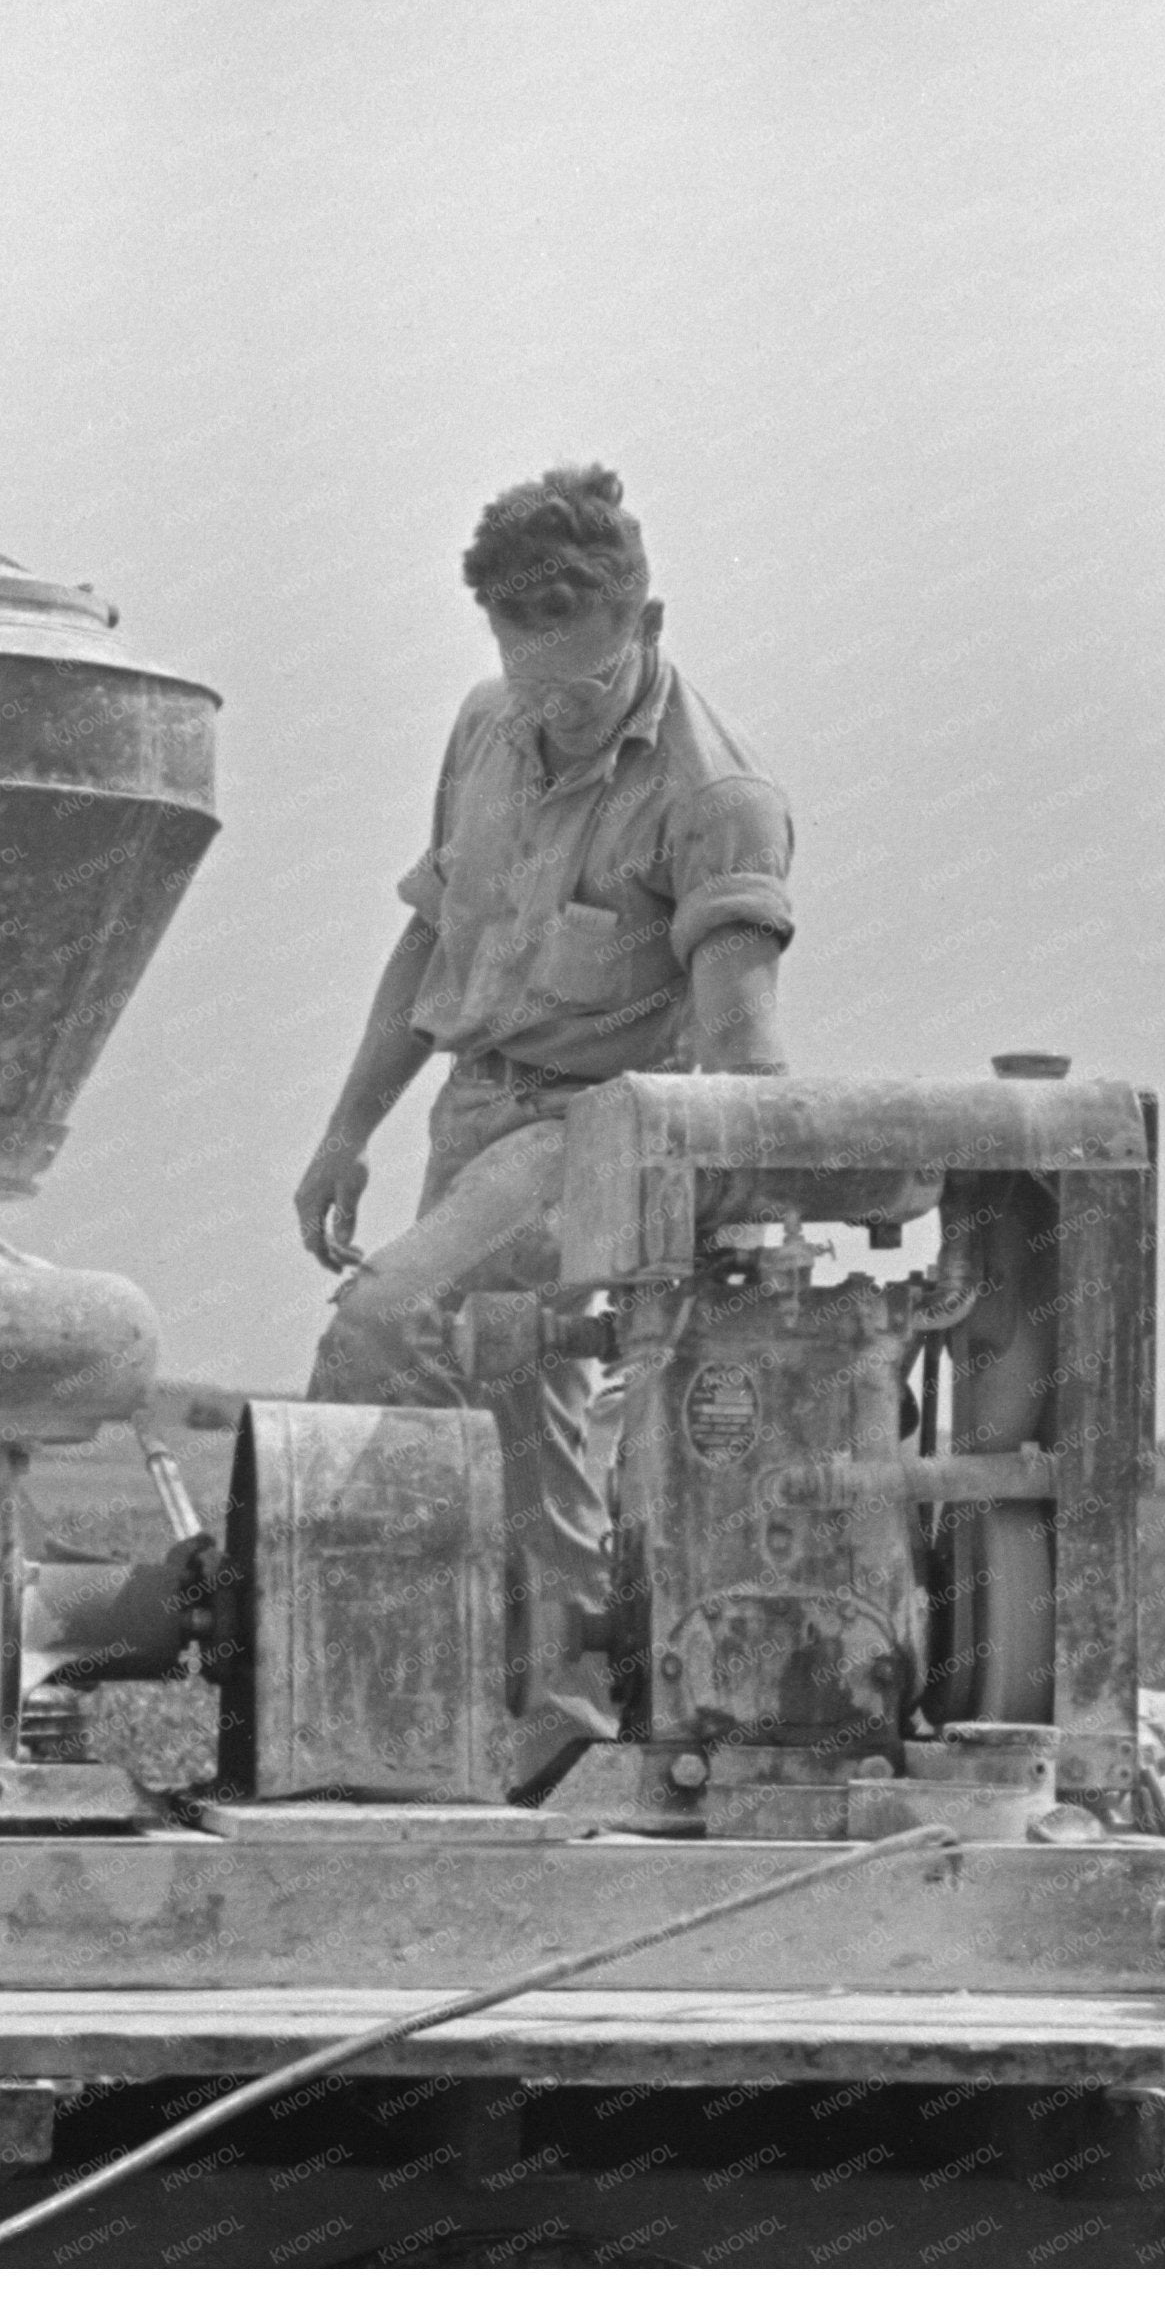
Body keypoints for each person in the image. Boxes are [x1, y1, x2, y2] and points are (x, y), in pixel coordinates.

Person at [293, 465, 795, 1787]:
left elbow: (744, 1060)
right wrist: (345, 1133)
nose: (553, 717)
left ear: (653, 624)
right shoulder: (482, 728)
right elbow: (429, 939)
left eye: (581, 689)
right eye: (530, 685)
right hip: (476, 1113)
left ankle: (337, 1684)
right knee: (518, 1409)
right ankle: (565, 1696)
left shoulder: (717, 798)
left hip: (607, 1129)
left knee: (388, 1322)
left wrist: (697, 1258)